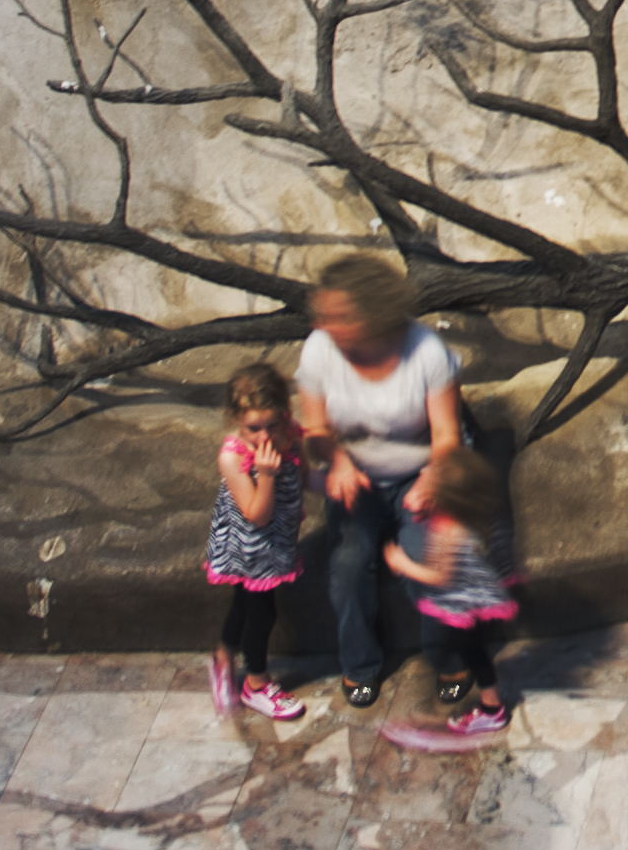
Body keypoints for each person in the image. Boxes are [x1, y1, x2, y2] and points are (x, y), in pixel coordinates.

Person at [294, 252, 460, 716]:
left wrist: (432, 478)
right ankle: (360, 665)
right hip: (355, 479)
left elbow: (447, 434)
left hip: (419, 472)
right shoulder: (318, 350)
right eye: (324, 316)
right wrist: (337, 459)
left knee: (428, 560)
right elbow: (314, 431)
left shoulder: (426, 351)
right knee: (349, 565)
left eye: (341, 317)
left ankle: (447, 658)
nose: (329, 326)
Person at [378, 440, 517, 749]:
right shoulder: (451, 516)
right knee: (472, 652)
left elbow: (440, 576)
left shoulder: (449, 531)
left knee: (457, 650)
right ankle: (490, 705)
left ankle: (489, 710)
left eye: (433, 471)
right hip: (468, 599)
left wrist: (403, 564)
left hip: (464, 604)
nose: (425, 468)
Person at [205, 364, 306, 723]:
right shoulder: (233, 458)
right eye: (253, 428)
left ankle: (221, 656)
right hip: (250, 547)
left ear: (284, 414)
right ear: (236, 420)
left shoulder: (287, 435)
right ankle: (257, 685)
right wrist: (265, 475)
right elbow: (255, 514)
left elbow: (303, 470)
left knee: (244, 606)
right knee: (262, 612)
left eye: (272, 426)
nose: (264, 436)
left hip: (276, 542)